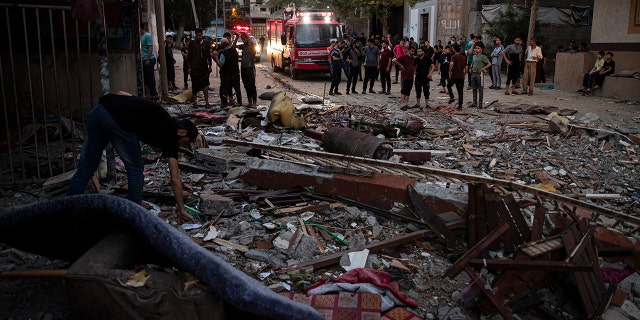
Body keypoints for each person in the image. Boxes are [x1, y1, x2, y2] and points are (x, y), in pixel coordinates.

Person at [68, 92, 199, 223]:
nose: (184, 145)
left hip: (100, 110)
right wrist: (181, 208)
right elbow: (175, 177)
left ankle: (67, 212)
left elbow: (122, 93)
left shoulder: (162, 116)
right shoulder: (170, 135)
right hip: (119, 122)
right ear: (182, 132)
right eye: (186, 141)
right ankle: (132, 217)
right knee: (136, 170)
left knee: (85, 169)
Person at [213, 37, 242, 108]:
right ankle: (240, 104)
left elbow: (220, 64)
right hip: (235, 73)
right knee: (237, 89)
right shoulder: (234, 50)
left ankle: (224, 104)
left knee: (225, 90)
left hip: (226, 75)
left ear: (222, 45)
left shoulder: (224, 53)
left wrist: (216, 57)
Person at [188, 28, 213, 108]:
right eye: (197, 35)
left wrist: (210, 66)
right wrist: (189, 67)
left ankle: (207, 102)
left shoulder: (206, 43)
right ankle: (195, 102)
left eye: (200, 35)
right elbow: (189, 56)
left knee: (205, 85)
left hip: (204, 68)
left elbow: (209, 55)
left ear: (202, 35)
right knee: (194, 86)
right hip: (195, 68)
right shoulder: (192, 43)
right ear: (195, 35)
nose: (198, 37)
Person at [140, 23, 159, 100]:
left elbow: (150, 48)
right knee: (146, 78)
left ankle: (153, 94)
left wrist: (148, 59)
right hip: (143, 58)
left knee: (150, 77)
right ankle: (152, 93)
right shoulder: (140, 37)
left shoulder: (147, 36)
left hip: (149, 59)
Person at [469, 44, 491, 109]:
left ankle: (480, 104)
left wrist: (482, 69)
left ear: (481, 49)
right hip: (473, 73)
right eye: (476, 48)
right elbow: (472, 63)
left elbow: (489, 64)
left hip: (480, 74)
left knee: (480, 89)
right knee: (474, 89)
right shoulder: (474, 56)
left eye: (478, 48)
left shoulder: (483, 57)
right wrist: (470, 67)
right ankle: (474, 103)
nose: (476, 49)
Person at [238, 32, 257, 107]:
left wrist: (246, 34)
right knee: (246, 85)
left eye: (244, 38)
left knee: (251, 85)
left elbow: (252, 42)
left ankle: (254, 102)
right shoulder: (243, 46)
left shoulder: (252, 46)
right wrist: (237, 37)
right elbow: (234, 46)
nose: (243, 40)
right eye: (242, 39)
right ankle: (250, 102)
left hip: (250, 67)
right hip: (243, 67)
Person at [447, 44, 467, 110]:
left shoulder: (454, 56)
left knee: (449, 85)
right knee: (460, 91)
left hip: (454, 75)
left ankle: (452, 97)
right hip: (461, 76)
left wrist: (449, 71)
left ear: (454, 49)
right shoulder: (464, 57)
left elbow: (451, 64)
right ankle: (460, 106)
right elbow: (466, 67)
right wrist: (465, 74)